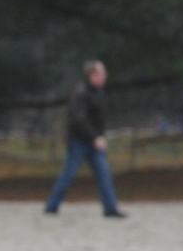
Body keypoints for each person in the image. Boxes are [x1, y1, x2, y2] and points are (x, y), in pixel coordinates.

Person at [42, 59, 125, 218]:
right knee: (68, 174)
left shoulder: (100, 93)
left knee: (104, 174)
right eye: (101, 73)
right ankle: (51, 206)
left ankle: (110, 208)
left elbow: (98, 120)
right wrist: (94, 137)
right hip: (79, 142)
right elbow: (78, 119)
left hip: (95, 143)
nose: (105, 76)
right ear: (92, 75)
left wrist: (99, 137)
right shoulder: (80, 93)